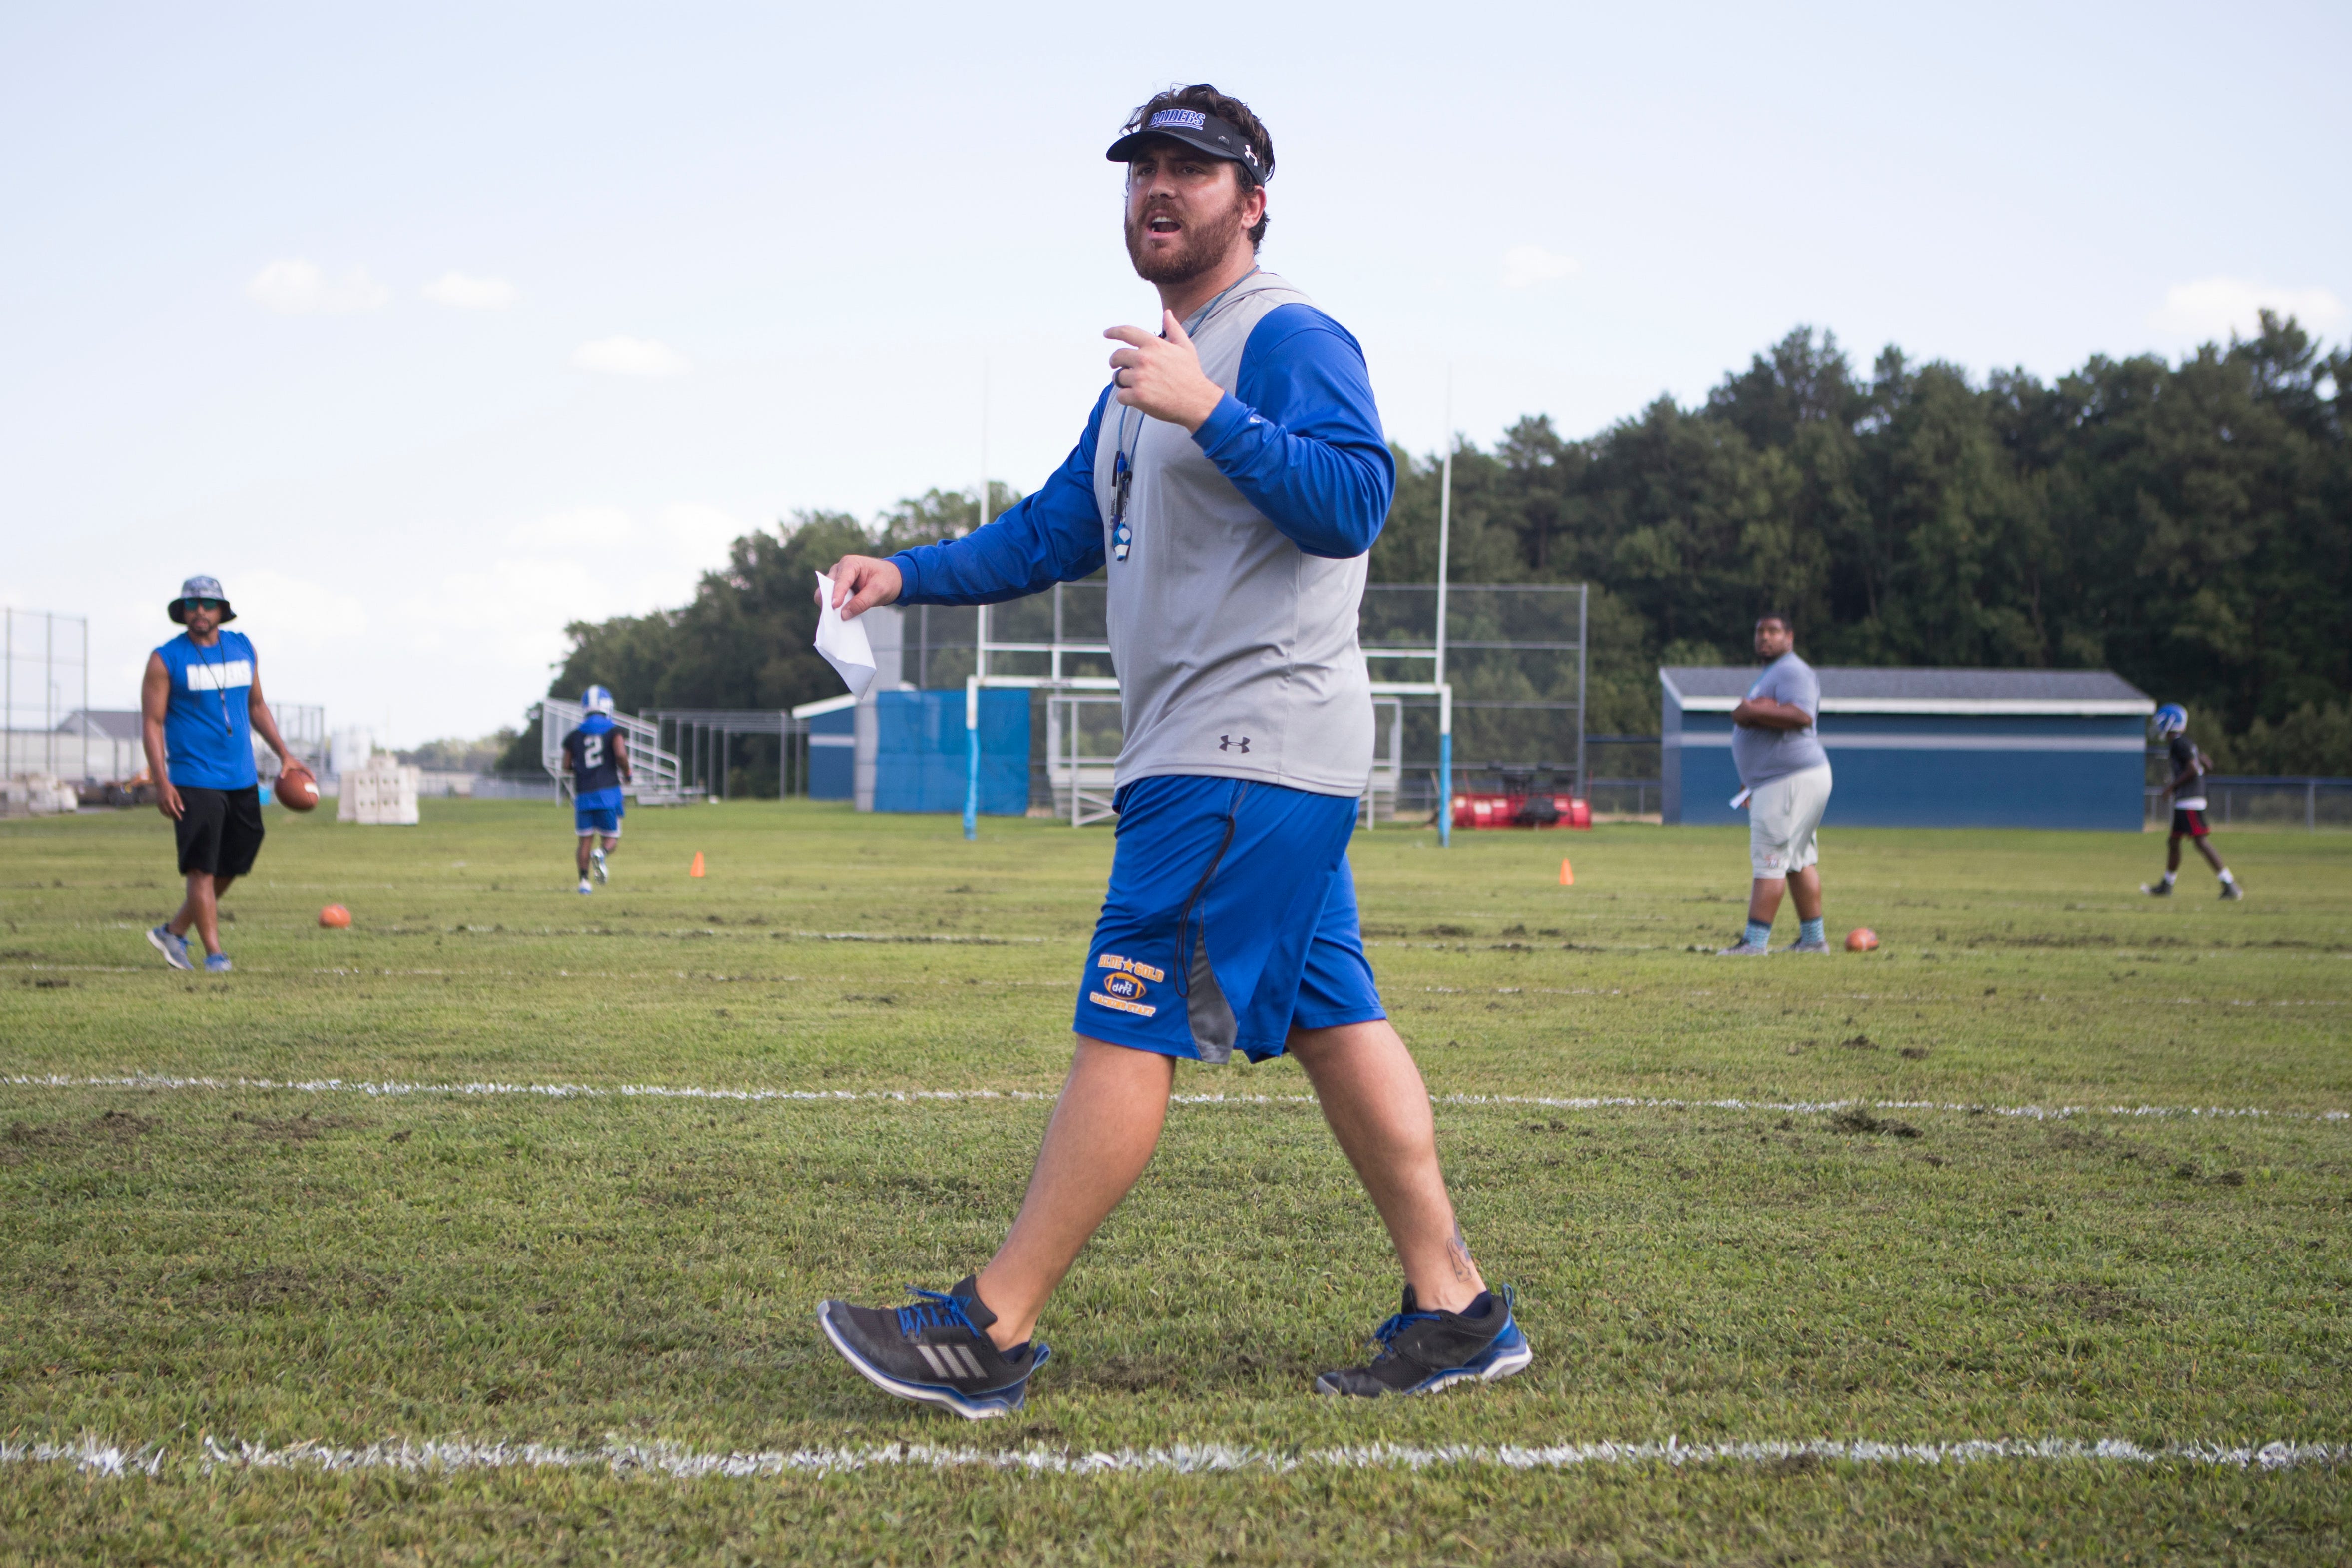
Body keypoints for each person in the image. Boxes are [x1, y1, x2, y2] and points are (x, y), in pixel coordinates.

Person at [810, 84, 1529, 1418]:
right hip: (1235, 756)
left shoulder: (1281, 336)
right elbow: (1048, 532)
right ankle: (1454, 1308)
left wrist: (1211, 409)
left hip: (1241, 746)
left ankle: (989, 1322)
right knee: (1332, 1017)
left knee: (1126, 1013)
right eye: (1141, 166)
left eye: (1192, 170)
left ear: (1249, 201)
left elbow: (1352, 499)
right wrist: (897, 572)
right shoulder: (1147, 370)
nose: (1158, 187)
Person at [140, 576, 300, 974]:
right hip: (194, 778)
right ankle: (215, 954)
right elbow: (152, 723)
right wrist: (162, 781)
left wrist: (285, 754)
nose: (200, 611)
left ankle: (173, 931)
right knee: (202, 867)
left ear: (221, 610)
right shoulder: (166, 659)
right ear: (182, 611)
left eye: (207, 604)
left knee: (235, 860)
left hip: (241, 777)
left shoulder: (243, 648)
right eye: (192, 604)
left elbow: (258, 706)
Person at [1719, 613, 1834, 955]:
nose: (1764, 638)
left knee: (1769, 859)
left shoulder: (1792, 670)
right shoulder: (1774, 673)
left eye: (1773, 632)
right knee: (1798, 860)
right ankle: (1813, 940)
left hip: (1787, 779)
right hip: (1788, 779)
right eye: (1759, 632)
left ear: (1790, 638)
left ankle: (1754, 944)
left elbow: (1801, 715)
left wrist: (1750, 711)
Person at [2144, 704, 2241, 899]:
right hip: (2187, 798)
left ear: (2170, 722)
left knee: (2201, 842)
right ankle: (2167, 885)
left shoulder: (2179, 743)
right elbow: (2205, 763)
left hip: (2190, 799)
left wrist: (2171, 787)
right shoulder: (2184, 743)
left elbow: (2193, 769)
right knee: (2173, 842)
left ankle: (2230, 884)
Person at [561, 686, 632, 894]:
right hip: (608, 793)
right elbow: (620, 755)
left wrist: (582, 769)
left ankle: (584, 883)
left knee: (584, 840)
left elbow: (566, 766)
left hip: (583, 794)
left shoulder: (574, 735)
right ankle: (601, 853)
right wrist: (627, 773)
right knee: (611, 838)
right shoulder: (614, 731)